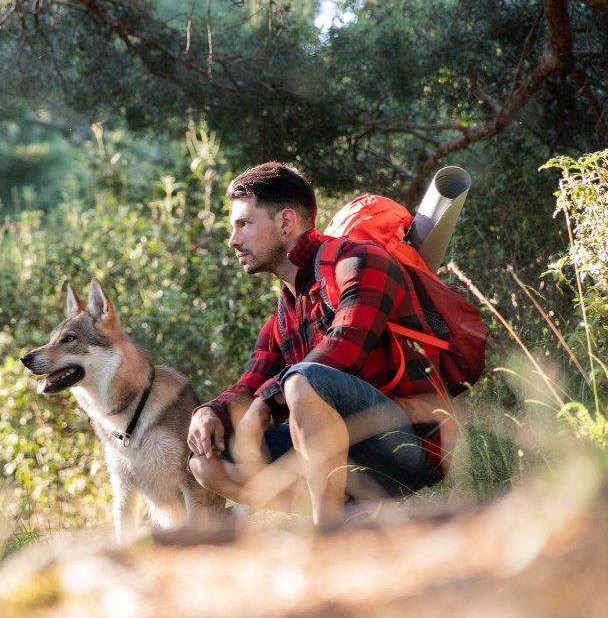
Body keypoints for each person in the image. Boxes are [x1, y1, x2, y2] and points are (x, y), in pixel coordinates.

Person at [187, 162, 448, 530]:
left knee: (302, 381)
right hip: (341, 460)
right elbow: (250, 381)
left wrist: (265, 403)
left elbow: (346, 347)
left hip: (407, 452)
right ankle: (345, 513)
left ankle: (326, 536)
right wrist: (210, 411)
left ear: (285, 223)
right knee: (206, 461)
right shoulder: (284, 310)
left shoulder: (359, 261)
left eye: (243, 224)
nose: (233, 240)